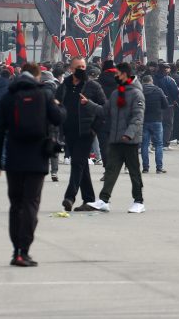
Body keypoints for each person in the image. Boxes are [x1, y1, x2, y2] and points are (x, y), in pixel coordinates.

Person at [0, 63, 65, 267]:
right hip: (37, 158)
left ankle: (16, 251)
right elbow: (58, 119)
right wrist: (58, 105)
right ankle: (25, 249)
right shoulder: (44, 95)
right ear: (37, 76)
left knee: (16, 205)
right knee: (31, 203)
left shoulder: (8, 96)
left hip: (14, 159)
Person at [83, 63, 147, 213]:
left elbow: (138, 118)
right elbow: (104, 111)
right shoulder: (116, 93)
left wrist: (129, 134)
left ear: (124, 74)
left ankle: (138, 201)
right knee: (111, 170)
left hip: (129, 140)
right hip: (116, 139)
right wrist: (88, 104)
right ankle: (104, 200)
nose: (115, 77)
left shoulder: (137, 94)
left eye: (117, 74)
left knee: (134, 171)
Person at [57, 57, 106, 212]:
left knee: (77, 162)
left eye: (83, 67)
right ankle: (89, 200)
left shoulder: (93, 86)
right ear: (71, 69)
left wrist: (95, 128)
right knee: (82, 165)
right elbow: (56, 103)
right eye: (78, 67)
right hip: (69, 131)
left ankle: (69, 196)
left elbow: (105, 109)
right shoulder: (64, 85)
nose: (81, 69)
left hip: (86, 131)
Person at [139, 74, 169, 174]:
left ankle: (145, 168)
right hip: (156, 120)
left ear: (143, 82)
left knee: (144, 144)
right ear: (151, 81)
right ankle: (159, 168)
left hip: (143, 120)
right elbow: (165, 105)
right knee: (159, 144)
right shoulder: (158, 90)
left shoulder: (139, 91)